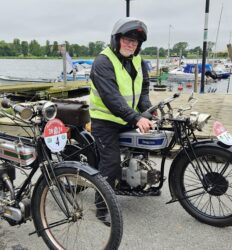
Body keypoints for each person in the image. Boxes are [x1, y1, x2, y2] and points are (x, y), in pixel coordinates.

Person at [89, 17, 158, 225]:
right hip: (106, 120)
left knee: (143, 145)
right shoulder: (103, 61)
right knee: (110, 163)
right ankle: (102, 208)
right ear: (116, 39)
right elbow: (112, 97)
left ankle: (135, 183)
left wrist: (147, 110)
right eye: (127, 39)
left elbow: (143, 88)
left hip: (127, 116)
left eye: (135, 41)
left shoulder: (138, 60)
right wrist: (136, 117)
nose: (131, 44)